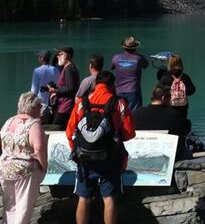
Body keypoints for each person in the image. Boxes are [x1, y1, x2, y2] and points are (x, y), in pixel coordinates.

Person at [66, 70, 136, 224]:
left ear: (95, 83)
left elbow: (70, 131)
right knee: (109, 198)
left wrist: (76, 149)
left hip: (84, 158)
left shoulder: (82, 103)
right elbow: (130, 133)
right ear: (112, 85)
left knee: (83, 198)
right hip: (110, 158)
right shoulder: (119, 103)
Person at [0, 92, 48, 224]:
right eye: (39, 106)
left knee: (9, 206)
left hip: (5, 169)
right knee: (23, 208)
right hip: (25, 171)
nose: (41, 109)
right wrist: (44, 166)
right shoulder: (33, 124)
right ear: (33, 107)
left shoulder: (9, 121)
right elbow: (38, 149)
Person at [133, 84, 192, 160]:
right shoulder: (175, 115)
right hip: (170, 155)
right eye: (170, 97)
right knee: (188, 153)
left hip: (142, 153)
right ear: (163, 98)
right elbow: (186, 129)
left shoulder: (137, 113)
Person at [111, 36, 149, 111]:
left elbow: (112, 67)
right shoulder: (139, 58)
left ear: (124, 47)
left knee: (119, 114)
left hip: (119, 91)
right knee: (133, 116)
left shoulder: (116, 58)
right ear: (135, 47)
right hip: (133, 91)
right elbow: (146, 65)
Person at [49, 46, 80, 128]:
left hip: (66, 107)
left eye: (60, 54)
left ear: (66, 55)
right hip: (65, 106)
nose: (57, 56)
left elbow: (71, 88)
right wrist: (57, 92)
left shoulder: (69, 69)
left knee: (55, 128)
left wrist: (55, 90)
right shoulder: (69, 67)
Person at [160, 54, 196, 119]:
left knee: (170, 124)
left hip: (169, 106)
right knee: (181, 124)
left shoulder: (165, 78)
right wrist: (184, 90)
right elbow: (192, 90)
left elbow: (159, 91)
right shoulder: (185, 77)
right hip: (183, 106)